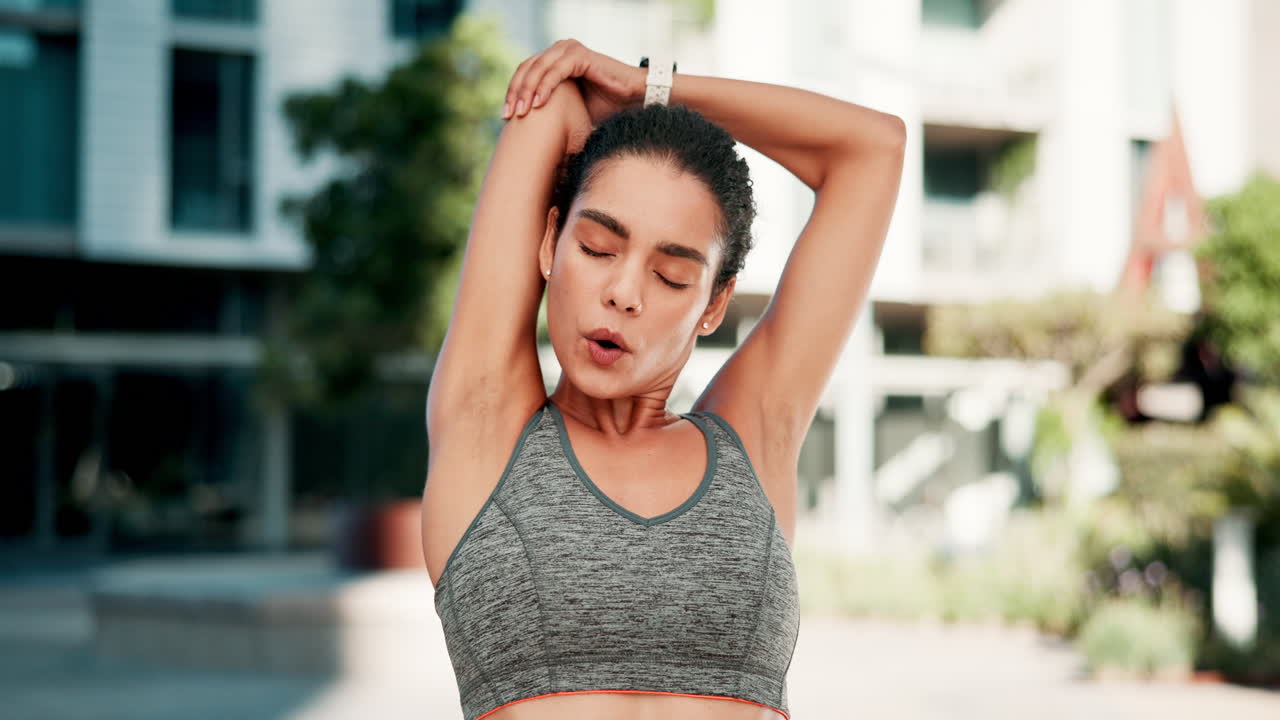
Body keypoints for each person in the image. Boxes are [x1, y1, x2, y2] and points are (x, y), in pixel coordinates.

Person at [422, 38, 905, 720]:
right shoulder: (488, 428)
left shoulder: (751, 443)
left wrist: (651, 89)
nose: (623, 292)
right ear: (548, 243)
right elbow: (550, 99)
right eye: (596, 248)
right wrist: (626, 104)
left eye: (672, 274)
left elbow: (872, 147)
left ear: (712, 304)